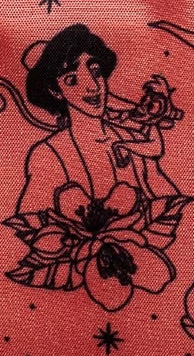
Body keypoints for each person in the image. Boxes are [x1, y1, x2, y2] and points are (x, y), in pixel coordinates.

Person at [16, 24, 179, 214]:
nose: (93, 86)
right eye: (72, 79)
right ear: (55, 91)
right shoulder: (48, 154)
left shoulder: (134, 140)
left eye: (96, 72)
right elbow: (28, 222)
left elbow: (173, 205)